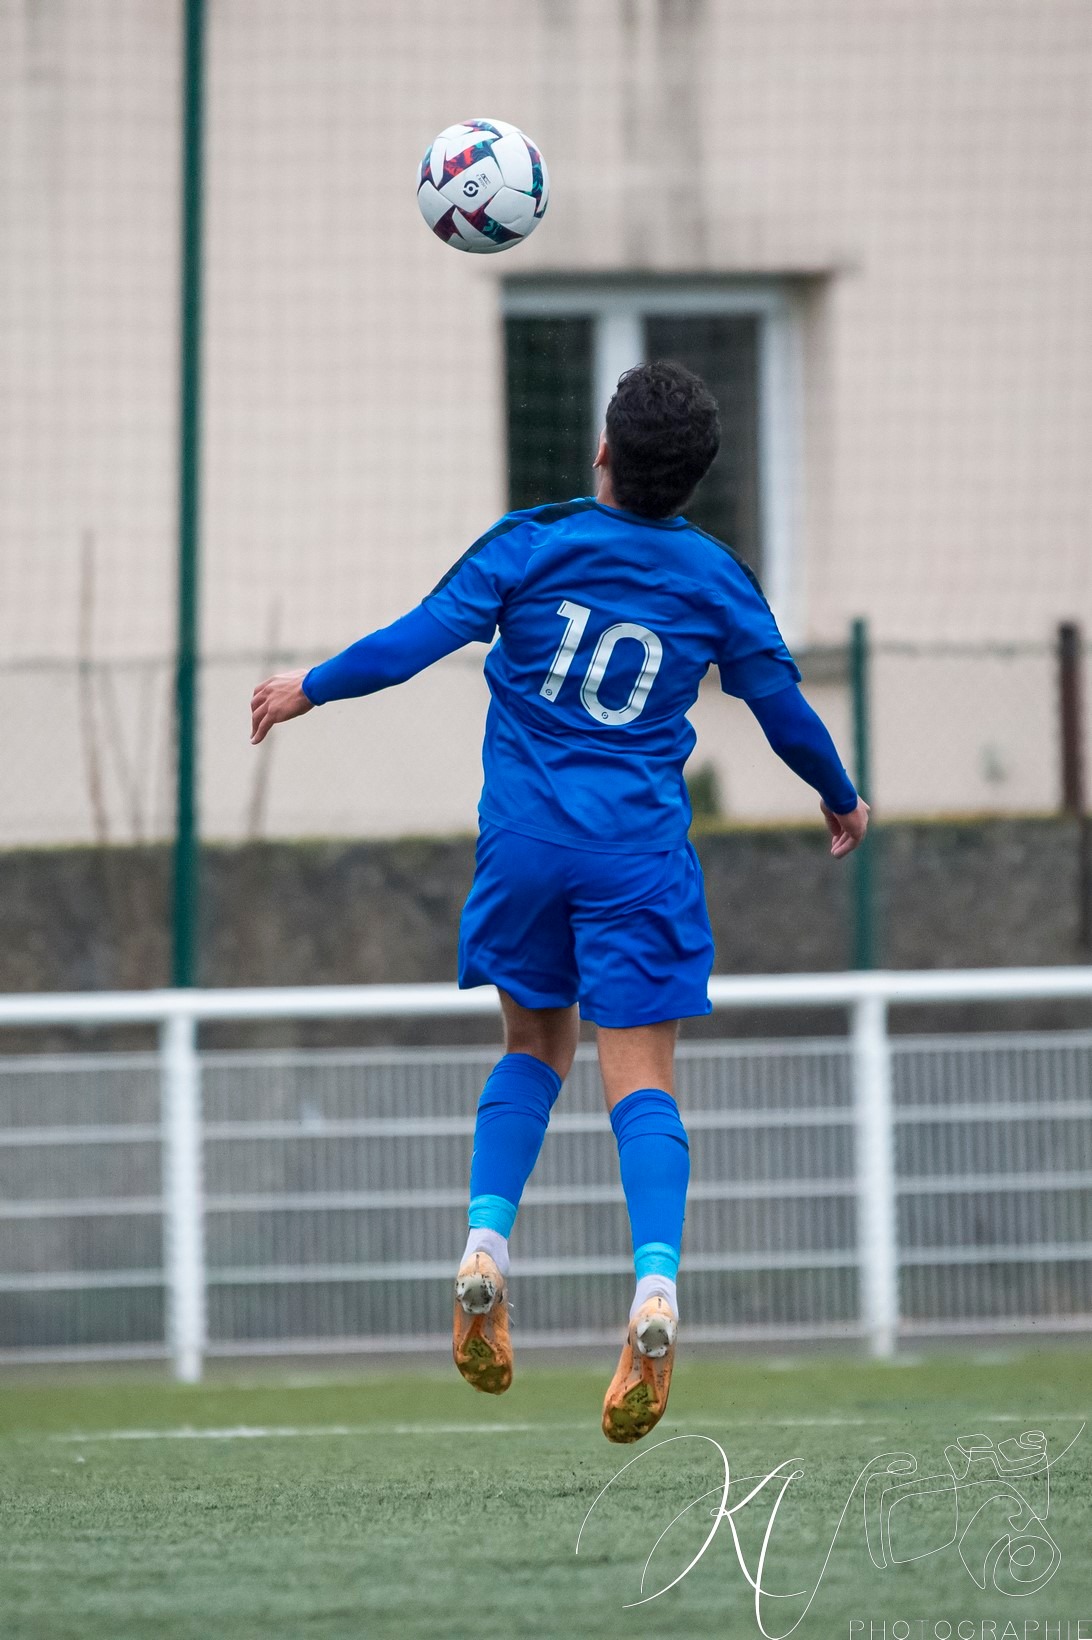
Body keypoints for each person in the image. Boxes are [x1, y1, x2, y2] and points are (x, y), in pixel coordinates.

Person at [250, 361, 869, 1444]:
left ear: (602, 450)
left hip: (527, 847)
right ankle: (656, 1290)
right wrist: (839, 793)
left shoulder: (528, 543)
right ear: (697, 482)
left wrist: (310, 685)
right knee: (642, 1075)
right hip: (635, 856)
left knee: (535, 1044)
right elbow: (780, 705)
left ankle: (486, 1246)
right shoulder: (716, 579)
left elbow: (415, 640)